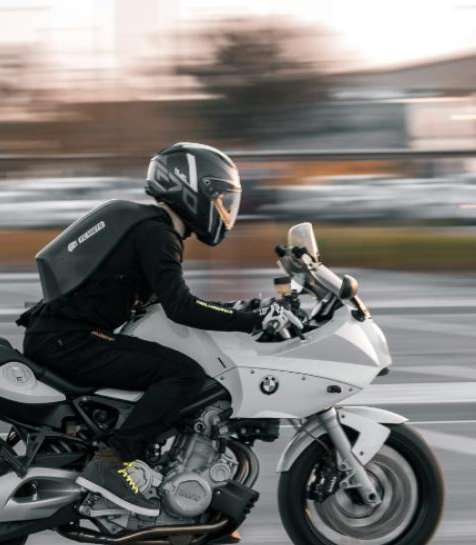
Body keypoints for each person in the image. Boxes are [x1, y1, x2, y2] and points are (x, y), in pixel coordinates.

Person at [21, 142, 296, 517]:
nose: (225, 211)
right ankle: (113, 463)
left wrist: (237, 310)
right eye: (221, 199)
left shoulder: (150, 227)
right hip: (68, 341)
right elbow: (180, 306)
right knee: (184, 375)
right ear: (193, 189)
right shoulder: (157, 234)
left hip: (62, 336)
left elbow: (169, 303)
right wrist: (251, 321)